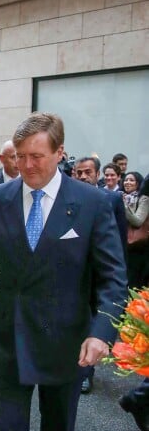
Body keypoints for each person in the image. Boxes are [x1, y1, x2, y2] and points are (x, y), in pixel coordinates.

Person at [0, 112, 127, 431]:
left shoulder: (92, 202)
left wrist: (102, 333)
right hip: (7, 337)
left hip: (65, 342)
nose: (27, 165)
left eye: (36, 156)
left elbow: (113, 278)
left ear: (59, 153)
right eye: (20, 156)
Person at [72, 156, 128, 394]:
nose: (83, 176)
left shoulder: (112, 199)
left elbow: (120, 239)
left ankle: (87, 372)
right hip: (78, 273)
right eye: (79, 172)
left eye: (88, 172)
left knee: (96, 319)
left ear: (97, 175)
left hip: (101, 272)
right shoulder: (70, 198)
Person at [124, 174, 149, 289]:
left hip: (138, 248)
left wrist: (124, 206)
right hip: (125, 246)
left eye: (131, 180)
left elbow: (138, 221)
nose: (127, 182)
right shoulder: (121, 196)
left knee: (135, 281)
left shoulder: (144, 199)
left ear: (138, 183)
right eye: (126, 180)